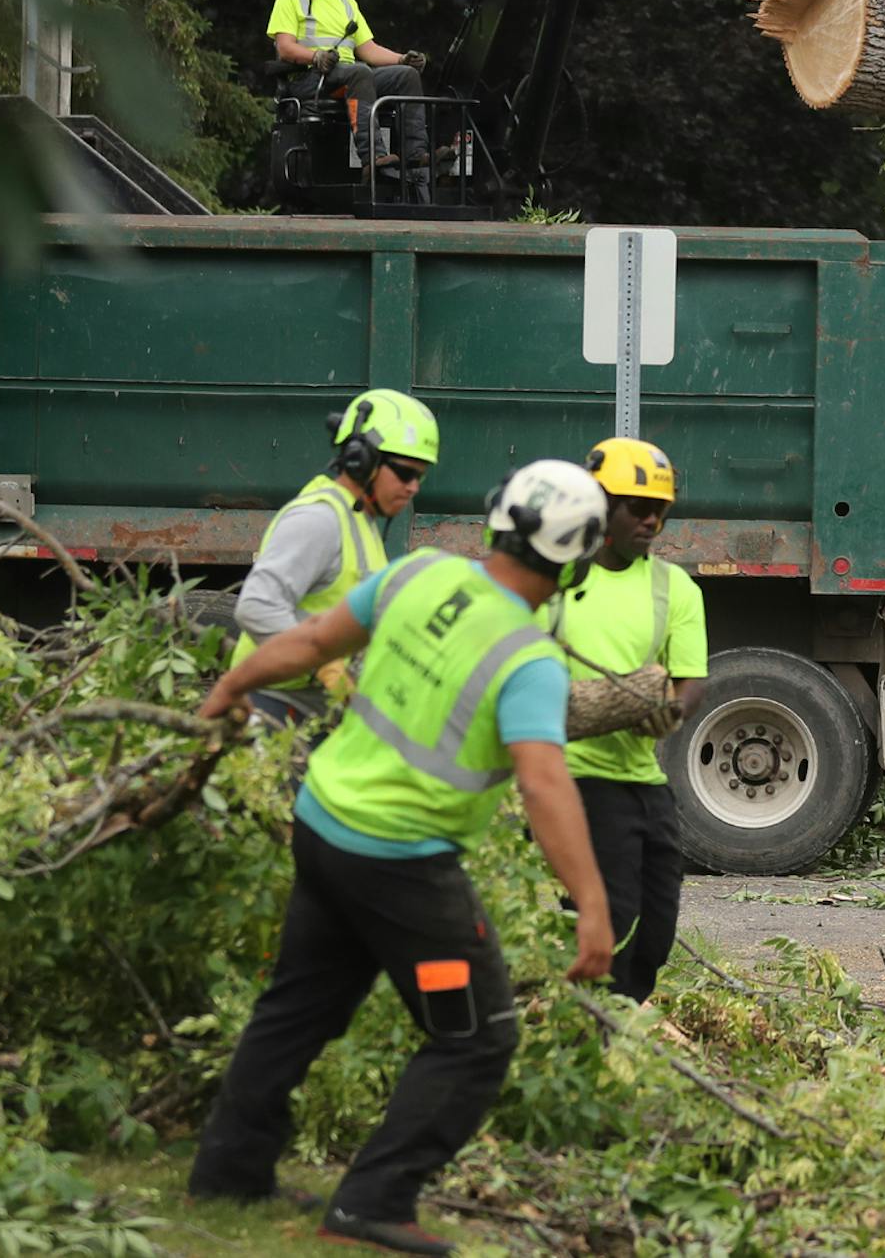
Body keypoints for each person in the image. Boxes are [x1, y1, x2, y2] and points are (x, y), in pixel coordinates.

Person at [187, 459, 616, 1258]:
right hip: (400, 868)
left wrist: (230, 684)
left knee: (296, 1006)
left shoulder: (416, 573)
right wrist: (591, 903)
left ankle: (228, 1172)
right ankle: (372, 1202)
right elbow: (544, 780)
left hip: (323, 826)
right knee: (475, 1036)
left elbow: (310, 638)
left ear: (497, 517)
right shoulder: (528, 658)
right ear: (577, 559)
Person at [550, 437, 709, 1003]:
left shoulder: (675, 588)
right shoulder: (559, 582)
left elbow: (690, 678)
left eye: (660, 511)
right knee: (608, 920)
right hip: (576, 778)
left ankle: (619, 1016)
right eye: (637, 508)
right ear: (598, 506)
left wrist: (670, 710)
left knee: (657, 928)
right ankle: (592, 1027)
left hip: (643, 779)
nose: (651, 521)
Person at [233, 389, 441, 725]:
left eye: (421, 476)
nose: (413, 486)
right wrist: (321, 662)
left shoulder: (360, 520)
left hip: (313, 705)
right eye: (405, 473)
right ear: (363, 460)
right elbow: (257, 607)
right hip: (270, 701)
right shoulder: (319, 520)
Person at [268, 0, 431, 200]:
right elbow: (284, 48)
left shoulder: (347, 3)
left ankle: (416, 155)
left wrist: (403, 58)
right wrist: (315, 56)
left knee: (405, 75)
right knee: (359, 73)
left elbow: (368, 49)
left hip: (349, 79)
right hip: (311, 81)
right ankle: (374, 159)